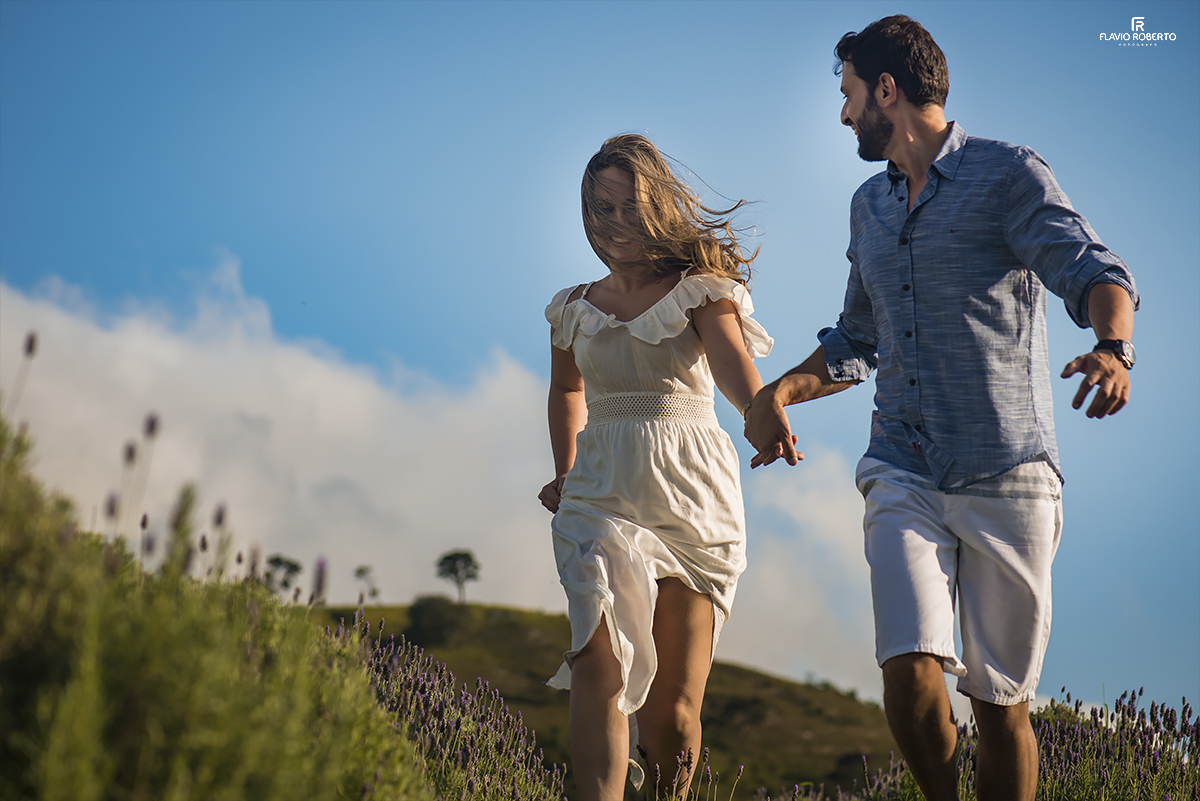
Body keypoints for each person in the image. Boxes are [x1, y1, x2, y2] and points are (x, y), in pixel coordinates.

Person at [743, 16, 1138, 801]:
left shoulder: (1008, 176)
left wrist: (1113, 350)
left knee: (1000, 710)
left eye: (849, 93)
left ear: (887, 89)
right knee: (909, 673)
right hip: (903, 467)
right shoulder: (869, 208)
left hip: (1009, 473)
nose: (843, 114)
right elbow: (859, 336)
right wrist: (777, 391)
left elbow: (1096, 270)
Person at [539, 133, 772, 800]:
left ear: (660, 207)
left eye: (629, 209)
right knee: (598, 664)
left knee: (670, 716)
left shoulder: (700, 290)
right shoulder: (573, 308)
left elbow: (731, 365)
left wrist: (762, 408)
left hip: (690, 499)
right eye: (601, 212)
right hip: (600, 497)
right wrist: (565, 470)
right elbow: (567, 391)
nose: (615, 227)